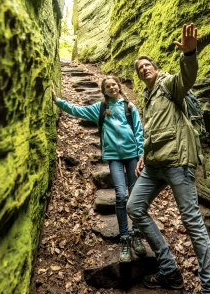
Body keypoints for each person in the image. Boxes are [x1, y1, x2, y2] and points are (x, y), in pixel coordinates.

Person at [127, 23, 210, 293]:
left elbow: (187, 77)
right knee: (134, 207)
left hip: (178, 163)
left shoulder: (168, 84)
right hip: (154, 165)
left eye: (147, 64)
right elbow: (152, 130)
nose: (143, 68)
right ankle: (169, 270)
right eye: (139, 68)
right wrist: (144, 153)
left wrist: (189, 55)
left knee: (192, 222)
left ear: (154, 67)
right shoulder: (147, 97)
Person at [52, 76, 147, 263]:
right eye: (108, 86)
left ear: (118, 87)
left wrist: (141, 153)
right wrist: (58, 101)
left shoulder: (129, 107)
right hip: (113, 157)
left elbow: (138, 130)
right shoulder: (100, 108)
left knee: (135, 195)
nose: (112, 87)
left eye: (114, 84)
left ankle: (136, 235)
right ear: (104, 91)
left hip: (132, 157)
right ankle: (125, 239)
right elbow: (77, 110)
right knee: (121, 195)